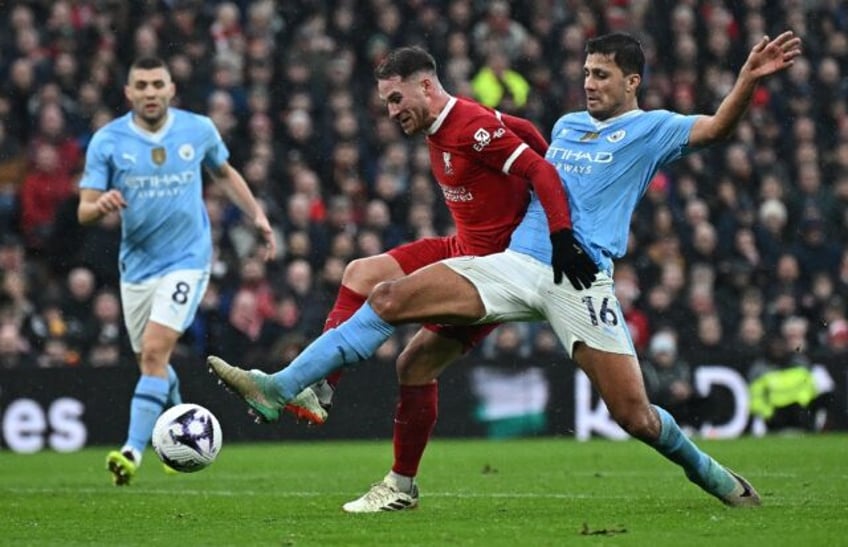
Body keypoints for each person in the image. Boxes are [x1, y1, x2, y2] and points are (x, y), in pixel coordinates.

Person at [209, 31, 801, 510]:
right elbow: (521, 146)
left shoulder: (653, 130)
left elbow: (718, 128)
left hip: (581, 279)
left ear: (632, 82)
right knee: (387, 297)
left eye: (601, 75)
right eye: (586, 73)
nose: (589, 84)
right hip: (515, 263)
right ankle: (283, 386)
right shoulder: (567, 127)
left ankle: (713, 474)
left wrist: (746, 81)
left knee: (636, 417)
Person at [281, 42, 594, 452]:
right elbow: (521, 129)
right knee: (359, 272)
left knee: (413, 363)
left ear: (426, 86)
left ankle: (398, 481)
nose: (391, 112)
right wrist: (542, 154)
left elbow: (541, 168)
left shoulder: (471, 129)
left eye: (396, 98)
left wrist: (559, 231)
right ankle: (321, 387)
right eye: (386, 102)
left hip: (487, 272)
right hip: (459, 247)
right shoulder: (450, 120)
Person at [77, 56, 287, 486]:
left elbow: (224, 174)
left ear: (172, 89)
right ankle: (179, 435)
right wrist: (98, 207)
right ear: (129, 93)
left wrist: (258, 218)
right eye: (142, 85)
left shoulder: (199, 129)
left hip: (188, 260)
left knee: (154, 353)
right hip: (136, 267)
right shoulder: (108, 140)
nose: (151, 92)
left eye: (158, 84)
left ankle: (133, 452)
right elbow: (83, 209)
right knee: (151, 363)